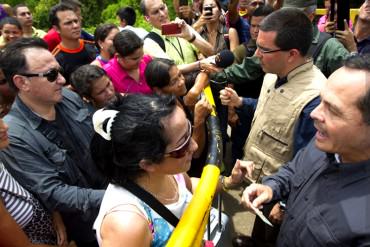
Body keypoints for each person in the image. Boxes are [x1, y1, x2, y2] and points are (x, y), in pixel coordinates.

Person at [220, 8, 326, 246]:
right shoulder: (272, 74)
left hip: (281, 194)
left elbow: (309, 161)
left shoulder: (315, 99)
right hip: (264, 187)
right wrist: (241, 102)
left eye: (264, 50)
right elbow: (272, 108)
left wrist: (286, 202)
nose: (256, 54)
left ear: (292, 54)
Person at [241, 53, 370, 246]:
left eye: (333, 110)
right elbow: (294, 169)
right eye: (321, 101)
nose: (315, 114)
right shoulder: (325, 142)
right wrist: (272, 187)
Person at [91, 94, 250, 246]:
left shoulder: (169, 169)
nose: (194, 146)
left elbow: (189, 187)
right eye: (182, 146)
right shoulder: (127, 225)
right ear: (148, 164)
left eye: (189, 129)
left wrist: (229, 181)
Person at [0, 37, 107, 247]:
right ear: (22, 82)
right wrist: (115, 196)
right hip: (88, 226)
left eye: (58, 71)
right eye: (51, 75)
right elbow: (53, 192)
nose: (61, 79)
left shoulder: (67, 97)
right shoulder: (14, 135)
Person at [145, 58, 212, 177]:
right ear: (158, 90)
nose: (181, 81)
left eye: (180, 75)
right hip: (189, 172)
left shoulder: (177, 91)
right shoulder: (166, 117)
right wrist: (199, 120)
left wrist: (195, 91)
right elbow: (194, 152)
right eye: (173, 82)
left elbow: (204, 72)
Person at [140, 0, 213, 77]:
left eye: (162, 8)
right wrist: (199, 64)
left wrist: (191, 38)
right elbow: (170, 70)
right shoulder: (149, 42)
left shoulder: (183, 26)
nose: (162, 14)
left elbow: (211, 52)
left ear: (166, 6)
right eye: (155, 12)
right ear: (147, 18)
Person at [50, 3, 97, 83]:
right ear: (57, 29)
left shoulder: (93, 46)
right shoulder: (55, 60)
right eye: (68, 23)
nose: (75, 26)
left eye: (76, 21)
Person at [104, 30, 152, 94]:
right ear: (118, 56)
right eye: (135, 59)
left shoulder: (147, 61)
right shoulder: (108, 73)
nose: (141, 60)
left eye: (142, 55)